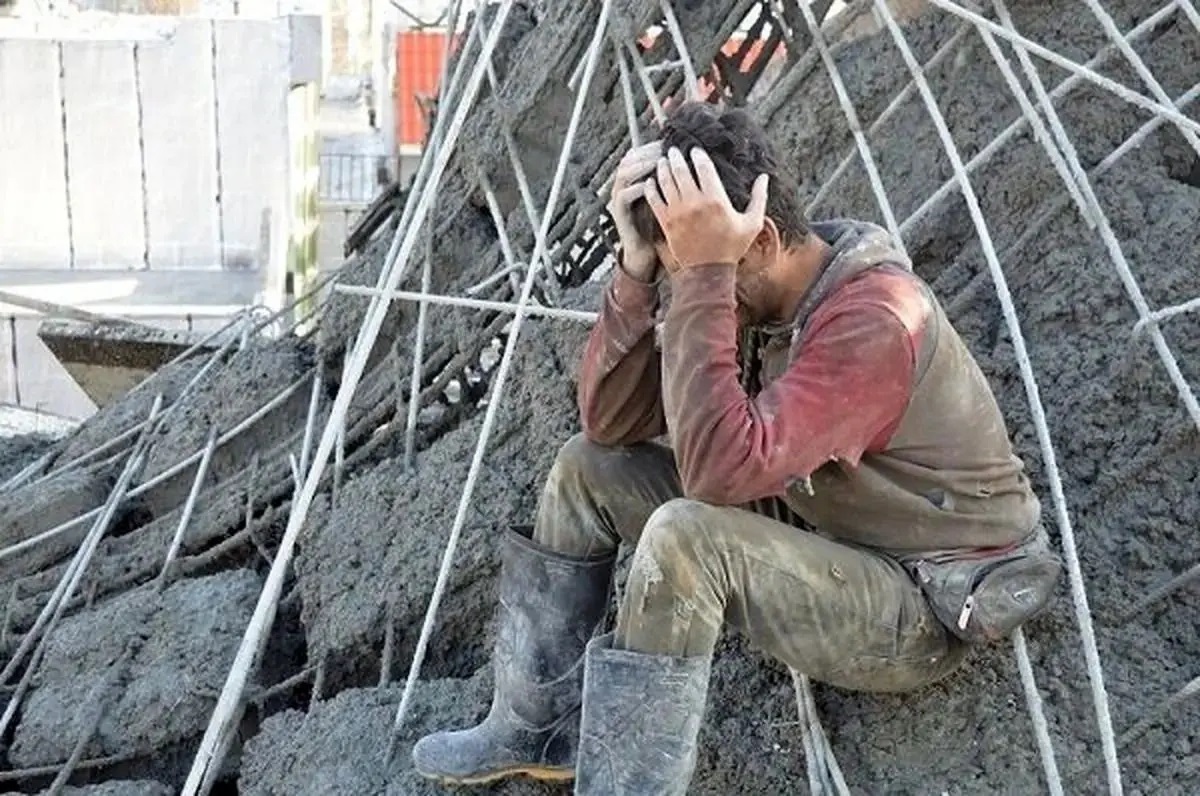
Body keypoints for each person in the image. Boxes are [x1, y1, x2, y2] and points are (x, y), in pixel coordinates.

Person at [411, 101, 1061, 794]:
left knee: (688, 537)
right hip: (819, 520)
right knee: (586, 469)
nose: (680, 279)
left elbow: (717, 475)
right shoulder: (761, 294)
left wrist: (704, 278)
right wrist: (636, 269)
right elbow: (610, 424)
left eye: (687, 261)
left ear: (760, 239)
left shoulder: (874, 322)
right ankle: (539, 727)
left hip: (918, 596)